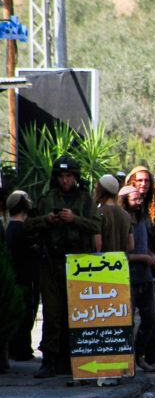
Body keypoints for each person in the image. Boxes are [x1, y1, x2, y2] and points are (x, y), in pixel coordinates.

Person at [25, 157, 101, 377]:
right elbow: (29, 225)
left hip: (79, 263)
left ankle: (74, 359)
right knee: (52, 313)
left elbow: (97, 224)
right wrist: (46, 220)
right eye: (61, 176)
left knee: (77, 312)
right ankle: (48, 360)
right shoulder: (47, 198)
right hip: (52, 262)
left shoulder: (86, 200)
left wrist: (74, 219)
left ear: (76, 177)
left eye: (69, 176)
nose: (65, 180)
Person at [119, 186, 155, 373]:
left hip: (145, 277)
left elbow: (144, 245)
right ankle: (129, 360)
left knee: (151, 317)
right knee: (128, 321)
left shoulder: (143, 220)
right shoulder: (122, 222)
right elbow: (121, 255)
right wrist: (143, 258)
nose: (139, 202)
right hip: (128, 279)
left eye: (139, 199)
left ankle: (139, 354)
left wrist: (151, 255)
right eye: (134, 199)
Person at [5, 191, 40, 362]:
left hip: (18, 278)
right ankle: (22, 351)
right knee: (26, 316)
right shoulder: (20, 229)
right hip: (25, 279)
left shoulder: (10, 228)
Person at [95, 174, 133, 253]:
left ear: (100, 190)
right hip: (120, 263)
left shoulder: (98, 213)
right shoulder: (126, 215)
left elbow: (97, 244)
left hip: (103, 262)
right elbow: (131, 245)